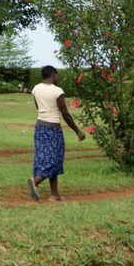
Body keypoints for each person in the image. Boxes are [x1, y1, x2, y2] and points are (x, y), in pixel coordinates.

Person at [28, 65, 85, 202]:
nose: (58, 78)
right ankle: (35, 181)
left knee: (44, 157)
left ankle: (55, 194)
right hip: (53, 129)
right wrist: (78, 131)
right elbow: (65, 113)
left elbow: (38, 107)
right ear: (53, 75)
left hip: (40, 128)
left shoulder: (36, 88)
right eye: (57, 76)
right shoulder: (57, 91)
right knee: (55, 159)